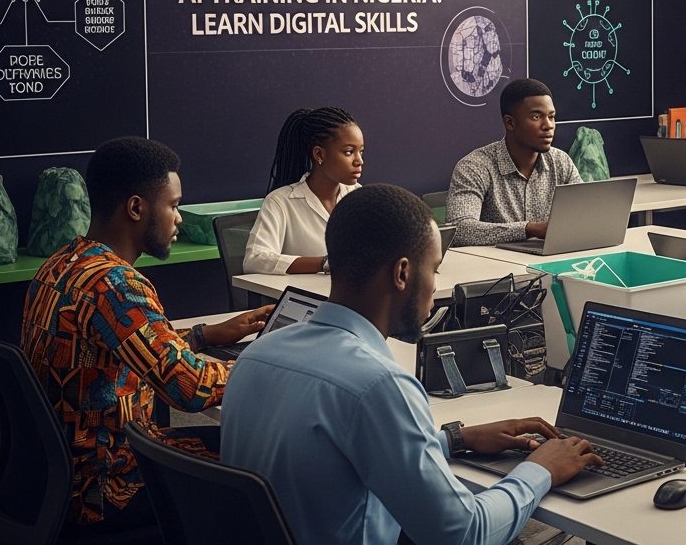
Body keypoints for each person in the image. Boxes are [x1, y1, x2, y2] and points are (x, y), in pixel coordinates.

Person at [221, 183, 601, 544]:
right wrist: (541, 470)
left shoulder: (258, 354)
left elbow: (332, 455)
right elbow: (462, 534)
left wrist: (454, 439)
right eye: (433, 269)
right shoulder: (377, 385)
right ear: (403, 273)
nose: (435, 287)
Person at [20, 137, 270, 533]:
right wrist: (266, 366)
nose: (180, 218)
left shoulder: (66, 262)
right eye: (173, 205)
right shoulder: (117, 284)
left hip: (55, 477)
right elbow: (190, 389)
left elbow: (124, 347)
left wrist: (204, 335)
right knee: (259, 457)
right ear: (136, 208)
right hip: (106, 485)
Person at [447, 78, 582, 246]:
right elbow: (459, 229)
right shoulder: (474, 167)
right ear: (510, 123)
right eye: (536, 116)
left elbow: (584, 217)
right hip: (494, 268)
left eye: (551, 116)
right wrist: (528, 229)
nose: (548, 125)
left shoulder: (561, 162)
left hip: (551, 263)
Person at [243, 106, 363, 275]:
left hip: (354, 298)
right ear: (319, 154)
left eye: (361, 151)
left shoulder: (360, 197)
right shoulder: (280, 201)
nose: (359, 161)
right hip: (306, 299)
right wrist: (326, 263)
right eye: (349, 152)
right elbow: (255, 259)